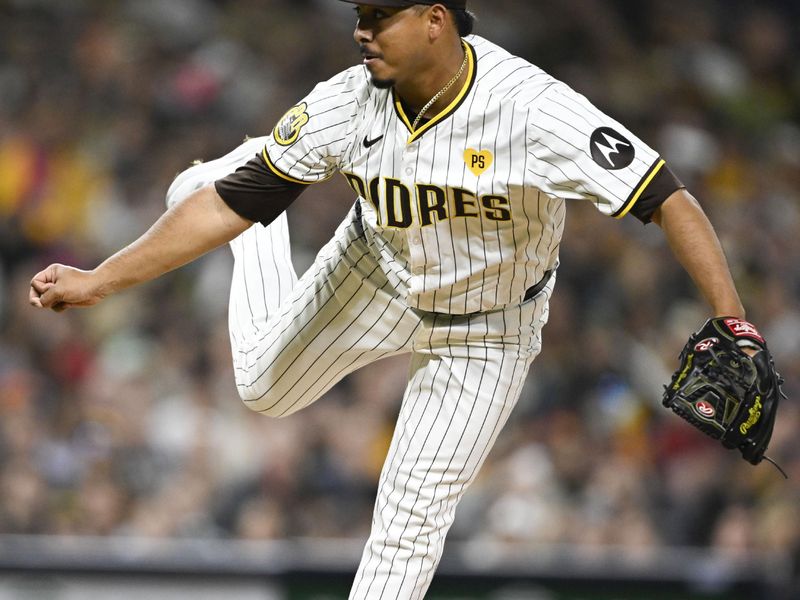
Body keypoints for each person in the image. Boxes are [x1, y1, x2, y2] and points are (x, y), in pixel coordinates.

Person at [30, 1, 750, 597]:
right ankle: (263, 239)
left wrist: (732, 318)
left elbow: (665, 197)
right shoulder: (348, 100)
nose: (361, 29)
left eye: (380, 14)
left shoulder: (531, 109)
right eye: (359, 13)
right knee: (260, 387)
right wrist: (99, 279)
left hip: (486, 329)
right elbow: (230, 203)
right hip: (376, 269)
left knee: (410, 521)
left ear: (436, 19)